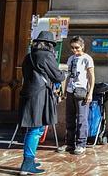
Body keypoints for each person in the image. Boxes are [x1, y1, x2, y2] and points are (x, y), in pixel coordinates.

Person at [19, 31, 65, 175]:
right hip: (39, 96)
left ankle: (30, 161)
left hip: (29, 94)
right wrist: (63, 74)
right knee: (36, 130)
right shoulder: (46, 56)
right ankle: (27, 164)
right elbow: (57, 76)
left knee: (33, 129)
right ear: (49, 45)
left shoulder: (29, 56)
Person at [60, 36, 95, 155]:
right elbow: (68, 75)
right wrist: (64, 91)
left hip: (81, 90)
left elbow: (91, 77)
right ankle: (69, 143)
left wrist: (90, 93)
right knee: (69, 118)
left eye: (77, 48)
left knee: (81, 118)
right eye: (72, 48)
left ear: (82, 46)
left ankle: (81, 144)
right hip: (70, 90)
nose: (75, 50)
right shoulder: (70, 59)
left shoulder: (87, 59)